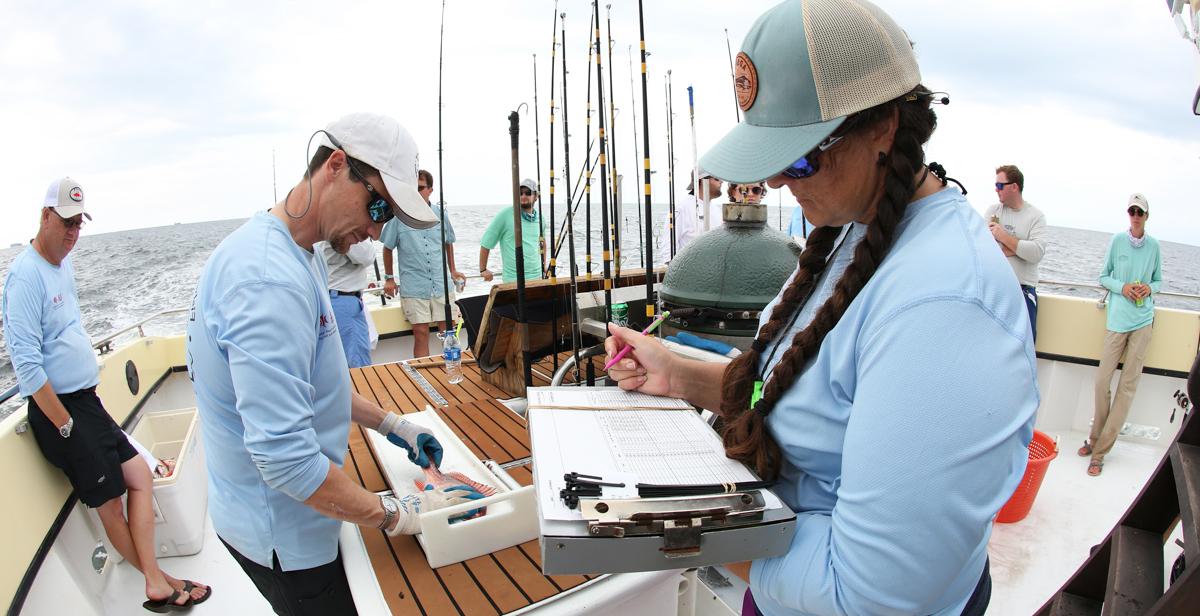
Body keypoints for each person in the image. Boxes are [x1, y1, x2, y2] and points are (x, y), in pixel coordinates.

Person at [604, 1, 1036, 614]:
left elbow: (869, 596)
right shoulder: (852, 227)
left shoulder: (943, 308)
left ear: (884, 126)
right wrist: (678, 374)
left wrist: (670, 524)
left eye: (800, 156)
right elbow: (805, 394)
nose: (778, 181)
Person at [186, 113, 484, 615]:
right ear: (336, 165)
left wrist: (396, 426)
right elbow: (285, 460)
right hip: (285, 534)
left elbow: (315, 386)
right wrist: (397, 513)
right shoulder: (267, 282)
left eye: (387, 216)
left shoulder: (296, 252)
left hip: (301, 514)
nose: (375, 227)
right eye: (377, 205)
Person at [3, 178, 212, 612]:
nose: (73, 233)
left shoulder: (62, 265)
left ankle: (157, 578)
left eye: (79, 224)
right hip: (63, 413)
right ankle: (158, 582)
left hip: (86, 403)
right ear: (44, 218)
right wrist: (64, 423)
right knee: (110, 506)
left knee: (140, 475)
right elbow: (26, 365)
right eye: (65, 223)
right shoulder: (24, 276)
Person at [1083, 193, 1162, 477]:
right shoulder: (1117, 241)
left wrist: (1148, 289)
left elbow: (1159, 280)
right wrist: (1123, 287)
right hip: (1117, 320)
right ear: (1128, 214)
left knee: (1126, 389)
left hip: (1143, 320)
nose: (1136, 215)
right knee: (1102, 381)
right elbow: (1103, 277)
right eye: (1132, 210)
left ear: (1146, 216)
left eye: (1140, 211)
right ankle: (1094, 440)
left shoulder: (1154, 246)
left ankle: (1100, 451)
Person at [380, 169, 466, 357]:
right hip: (414, 285)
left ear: (430, 190)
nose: (416, 191)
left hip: (441, 283)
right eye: (413, 188)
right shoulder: (398, 215)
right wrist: (389, 278)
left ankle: (450, 370)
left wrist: (452, 270)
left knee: (448, 332)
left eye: (420, 188)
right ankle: (423, 377)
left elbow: (448, 242)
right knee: (420, 333)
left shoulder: (440, 214)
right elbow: (387, 247)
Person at [984, 164, 1047, 340]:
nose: (996, 190)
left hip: (1023, 291)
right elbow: (984, 248)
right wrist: (1019, 248)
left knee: (1024, 343)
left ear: (1014, 187)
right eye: (996, 185)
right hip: (996, 289)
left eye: (1000, 185)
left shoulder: (1035, 216)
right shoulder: (992, 211)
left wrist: (1004, 238)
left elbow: (1037, 252)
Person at [315, 238, 376, 368]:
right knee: (357, 366)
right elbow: (367, 255)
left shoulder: (323, 227)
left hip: (330, 299)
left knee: (334, 364)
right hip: (343, 301)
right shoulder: (342, 227)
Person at [479, 178, 545, 283]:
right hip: (513, 281)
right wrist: (483, 269)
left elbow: (542, 243)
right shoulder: (505, 214)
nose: (523, 196)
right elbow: (486, 242)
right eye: (520, 193)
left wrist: (544, 267)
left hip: (537, 278)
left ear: (536, 197)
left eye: (528, 193)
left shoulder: (540, 218)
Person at [667, 168, 724, 255]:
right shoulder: (681, 207)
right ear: (702, 181)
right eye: (716, 179)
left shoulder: (717, 209)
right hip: (688, 267)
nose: (721, 182)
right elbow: (668, 246)